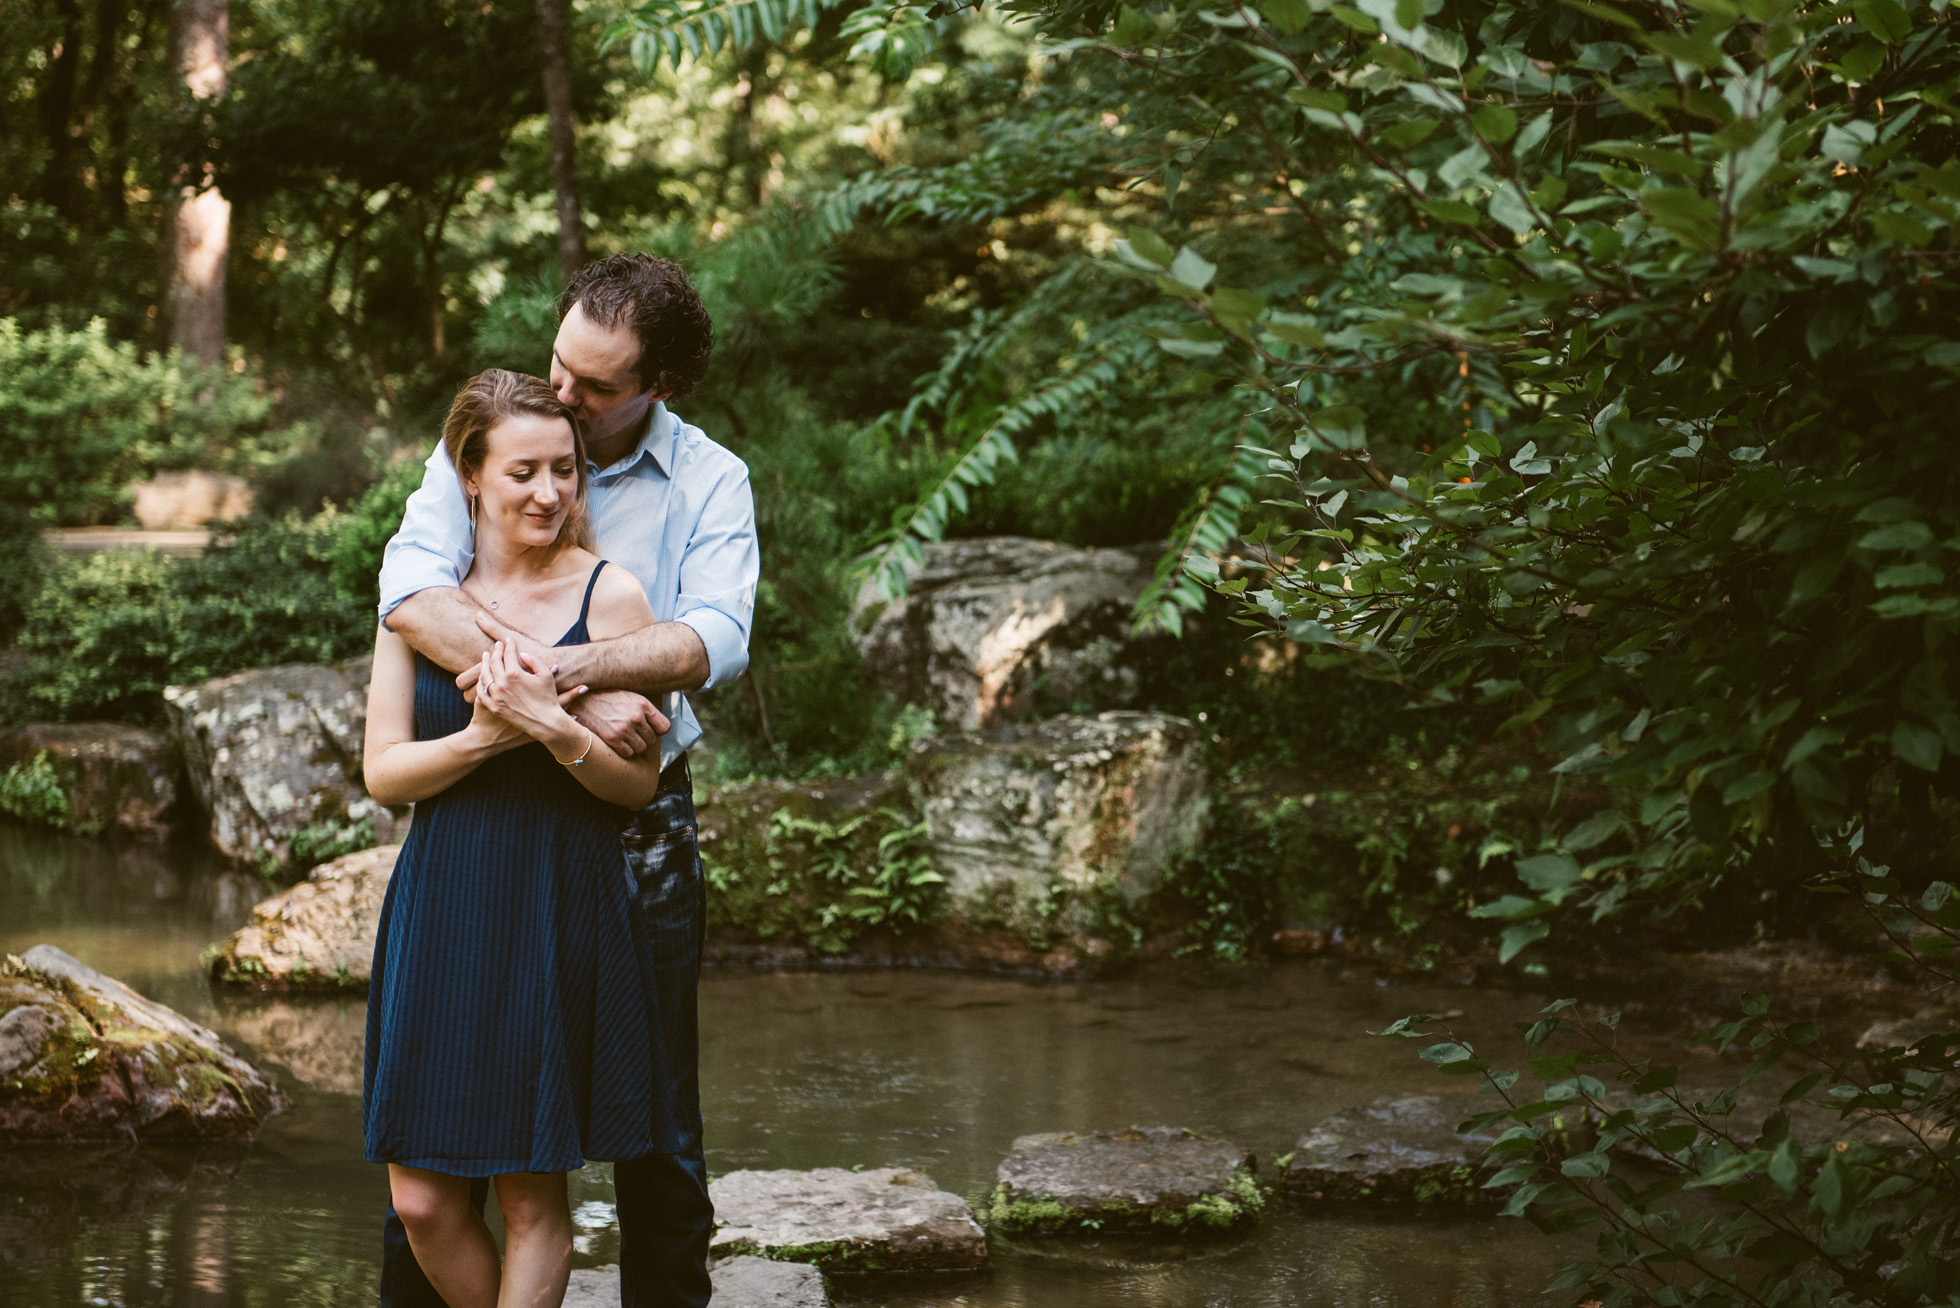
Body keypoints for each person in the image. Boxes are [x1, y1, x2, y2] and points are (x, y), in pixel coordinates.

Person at [374, 254, 757, 1308]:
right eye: (559, 364)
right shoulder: (501, 440)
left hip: (632, 835)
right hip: (486, 826)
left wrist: (574, 672)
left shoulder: (710, 481)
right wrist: (561, 699)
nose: (567, 398)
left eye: (594, 387)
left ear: (656, 388)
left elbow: (712, 639)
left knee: (657, 1130)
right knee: (433, 1139)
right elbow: (409, 590)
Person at [362, 368, 671, 1308]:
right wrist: (481, 739)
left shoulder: (611, 598)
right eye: (523, 473)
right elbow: (383, 773)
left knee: (531, 1188)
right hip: (443, 899)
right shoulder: (420, 600)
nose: (550, 494)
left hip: (554, 899)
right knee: (420, 1197)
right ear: (468, 475)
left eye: (566, 472)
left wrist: (558, 728)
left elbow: (637, 787)